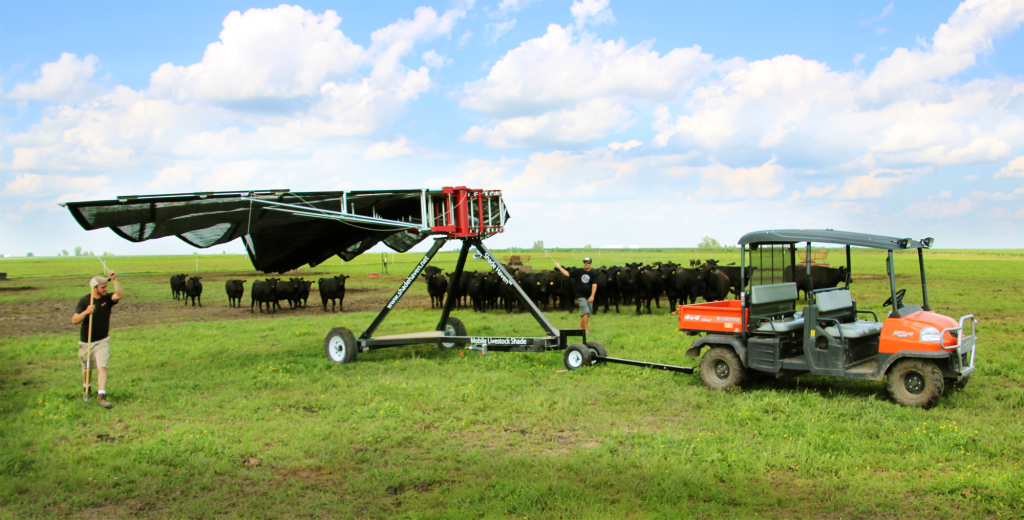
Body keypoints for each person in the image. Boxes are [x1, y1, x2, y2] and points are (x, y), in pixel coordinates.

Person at [71, 270, 123, 409]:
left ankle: (102, 396)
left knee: (103, 367)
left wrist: (115, 279)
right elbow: (74, 320)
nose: (106, 289)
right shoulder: (84, 301)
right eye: (103, 287)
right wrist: (86, 312)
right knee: (87, 369)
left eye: (106, 287)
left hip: (102, 340)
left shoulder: (107, 299)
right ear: (95, 288)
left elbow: (119, 295)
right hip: (86, 342)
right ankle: (86, 388)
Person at [554, 257, 597, 334]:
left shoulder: (593, 274)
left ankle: (580, 329)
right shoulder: (578, 271)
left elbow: (594, 285)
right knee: (586, 311)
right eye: (584, 262)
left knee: (585, 313)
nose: (586, 264)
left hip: (589, 296)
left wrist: (592, 296)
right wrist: (559, 266)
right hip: (580, 295)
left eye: (587, 262)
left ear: (590, 264)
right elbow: (567, 273)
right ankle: (586, 330)